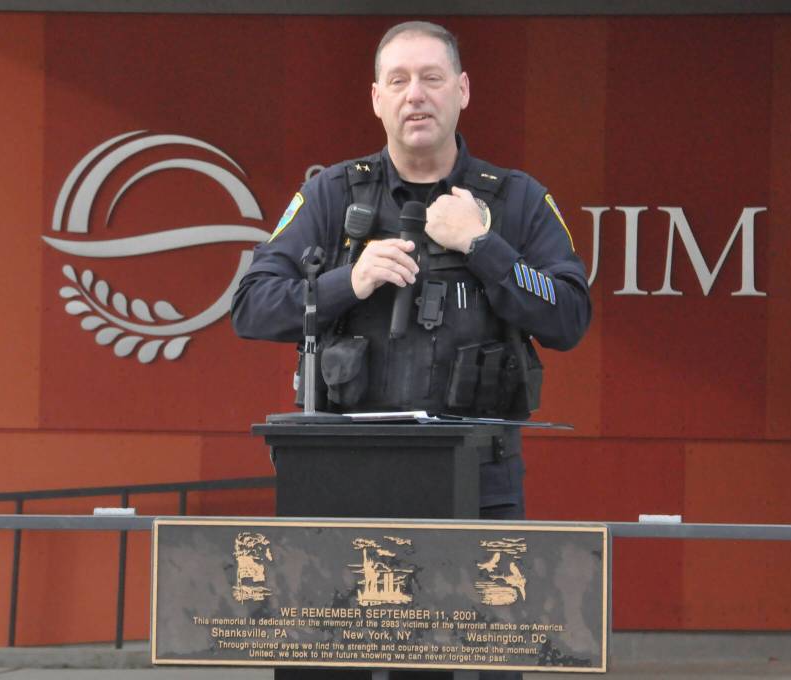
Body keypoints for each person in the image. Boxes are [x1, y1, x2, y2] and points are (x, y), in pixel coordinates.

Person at [232, 19, 591, 680]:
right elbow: (252, 304)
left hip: (477, 488)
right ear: (376, 98)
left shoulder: (514, 201)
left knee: (476, 671)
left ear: (462, 91)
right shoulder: (333, 194)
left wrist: (484, 247)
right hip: (344, 488)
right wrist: (350, 280)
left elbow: (569, 315)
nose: (415, 95)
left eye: (431, 78)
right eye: (398, 81)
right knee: (324, 671)